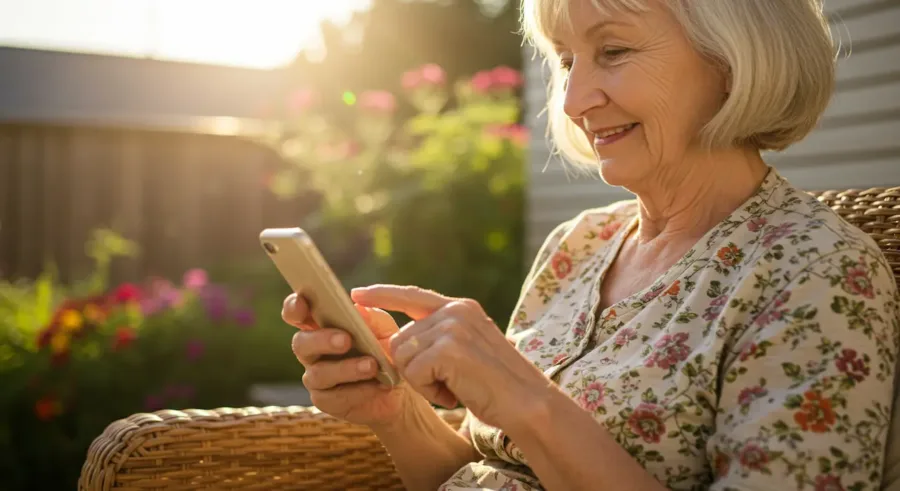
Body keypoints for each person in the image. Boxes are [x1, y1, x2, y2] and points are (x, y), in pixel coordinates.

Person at [283, 0, 900, 489]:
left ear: (735, 57)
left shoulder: (817, 270)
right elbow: (489, 479)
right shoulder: (580, 243)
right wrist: (398, 412)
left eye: (614, 50)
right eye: (568, 60)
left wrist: (526, 398)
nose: (574, 101)